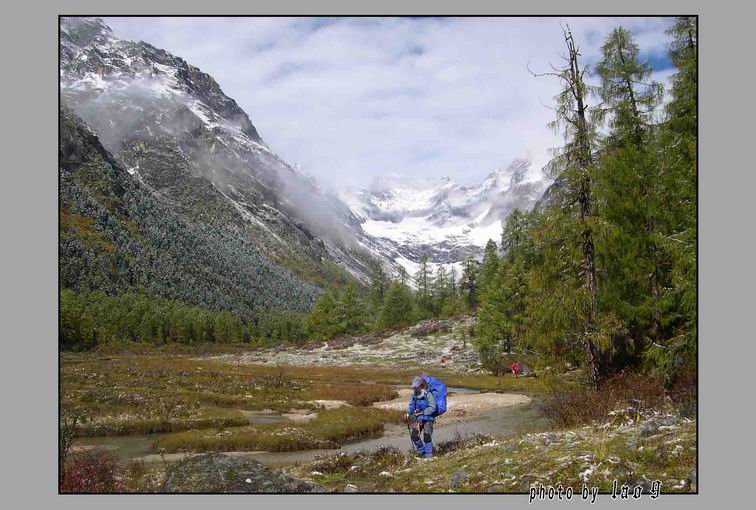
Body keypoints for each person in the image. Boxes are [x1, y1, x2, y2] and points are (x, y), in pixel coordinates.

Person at [406, 376, 436, 459]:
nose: (414, 388)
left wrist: (422, 412)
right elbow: (411, 406)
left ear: (421, 386)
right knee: (414, 435)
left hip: (428, 418)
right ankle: (422, 452)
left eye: (416, 387)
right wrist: (408, 413)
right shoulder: (414, 395)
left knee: (427, 436)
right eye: (414, 387)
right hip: (418, 418)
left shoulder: (428, 394)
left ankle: (428, 455)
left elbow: (433, 407)